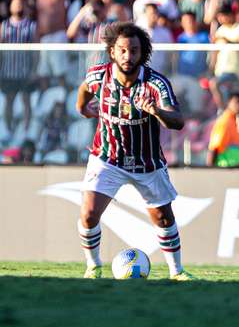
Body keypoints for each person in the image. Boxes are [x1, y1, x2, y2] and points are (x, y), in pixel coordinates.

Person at [75, 22, 193, 280]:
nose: (128, 56)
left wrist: (156, 111)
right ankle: (93, 267)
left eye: (134, 51)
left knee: (163, 218)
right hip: (107, 158)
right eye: (123, 50)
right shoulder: (99, 76)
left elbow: (178, 121)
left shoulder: (156, 83)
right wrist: (83, 108)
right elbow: (85, 88)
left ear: (143, 53)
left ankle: (177, 272)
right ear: (112, 52)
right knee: (89, 213)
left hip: (146, 162)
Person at [0, 0, 38, 132]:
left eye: (20, 3)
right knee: (9, 100)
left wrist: (34, 70)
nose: (18, 6)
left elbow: (36, 50)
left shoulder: (31, 26)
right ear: (10, 7)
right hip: (8, 71)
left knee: (26, 100)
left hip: (25, 71)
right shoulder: (3, 26)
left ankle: (26, 130)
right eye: (15, 4)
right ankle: (8, 129)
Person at [207, 91, 239, 167]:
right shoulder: (225, 122)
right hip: (224, 172)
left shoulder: (233, 122)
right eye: (237, 102)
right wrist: (210, 172)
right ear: (229, 103)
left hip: (233, 171)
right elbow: (214, 148)